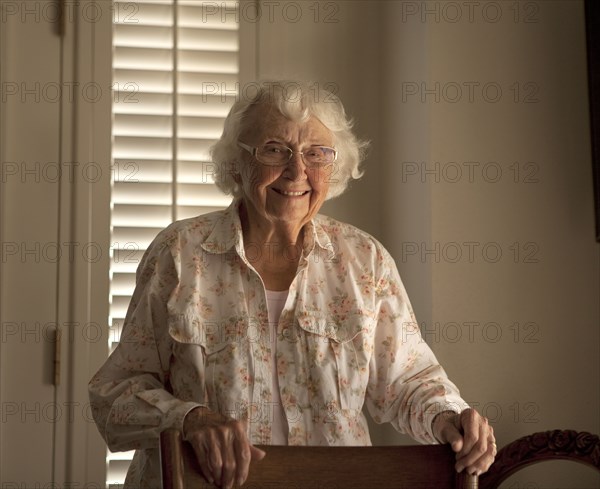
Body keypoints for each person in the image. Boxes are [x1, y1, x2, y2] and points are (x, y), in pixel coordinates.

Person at [89, 80, 496, 489]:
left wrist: (448, 417)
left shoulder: (363, 261)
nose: (297, 170)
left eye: (315, 153)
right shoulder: (179, 254)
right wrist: (190, 419)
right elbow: (114, 396)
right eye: (274, 150)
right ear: (236, 163)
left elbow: (408, 382)